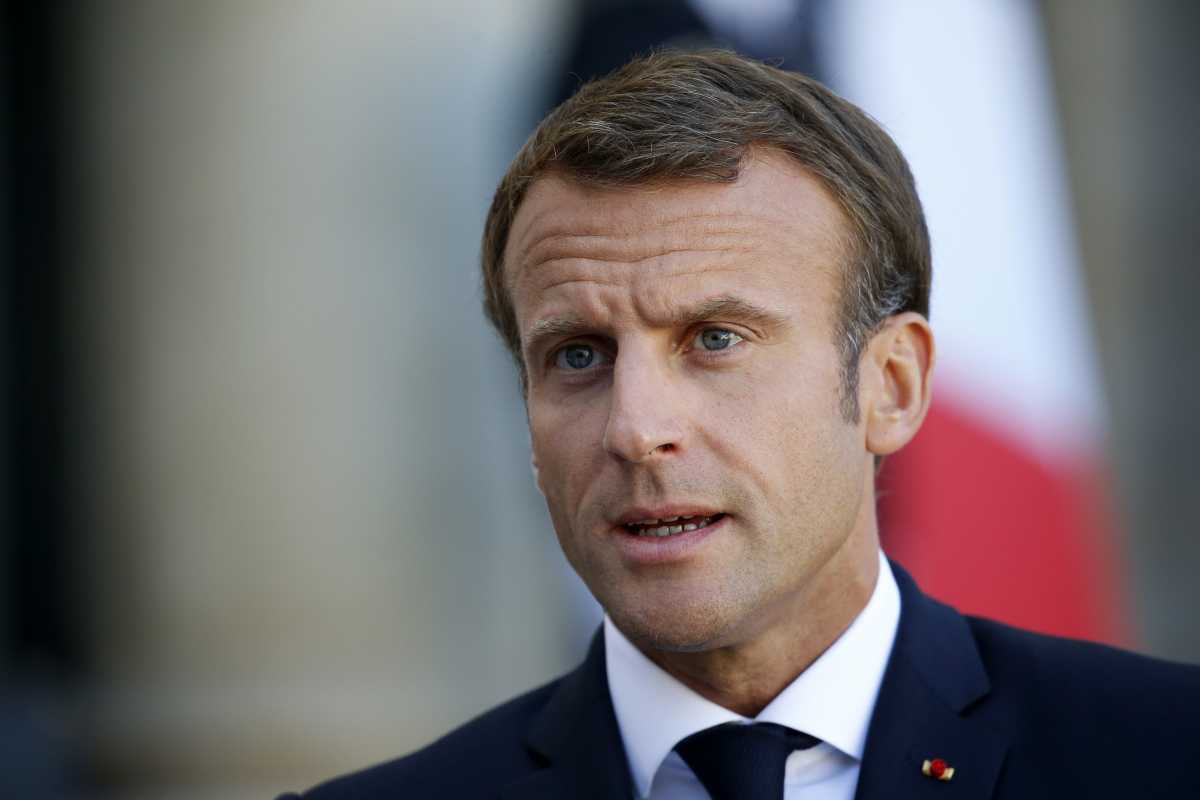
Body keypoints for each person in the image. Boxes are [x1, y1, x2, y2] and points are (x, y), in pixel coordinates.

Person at [281, 50, 1200, 800]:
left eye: (715, 339)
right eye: (576, 356)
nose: (636, 430)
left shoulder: (1162, 757)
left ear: (892, 384)